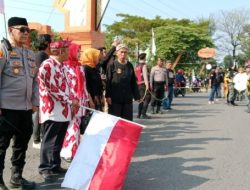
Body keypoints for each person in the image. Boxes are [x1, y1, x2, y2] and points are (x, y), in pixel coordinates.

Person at [0, 17, 38, 190]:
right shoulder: (3, 50)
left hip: (25, 109)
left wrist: (35, 102)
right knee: (1, 146)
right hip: (6, 109)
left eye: (27, 30)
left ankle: (17, 177)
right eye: (21, 29)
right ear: (10, 30)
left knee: (22, 144)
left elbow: (36, 81)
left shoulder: (30, 54)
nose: (25, 33)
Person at [38, 40, 76, 181]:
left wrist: (72, 99)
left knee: (59, 140)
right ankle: (44, 167)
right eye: (67, 50)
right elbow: (52, 88)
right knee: (49, 140)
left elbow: (67, 86)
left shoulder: (62, 66)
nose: (69, 53)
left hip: (64, 110)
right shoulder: (47, 65)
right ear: (60, 51)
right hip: (52, 110)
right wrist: (70, 100)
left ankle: (55, 165)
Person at [60, 43, 89, 162]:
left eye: (80, 52)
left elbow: (84, 85)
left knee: (76, 126)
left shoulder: (80, 66)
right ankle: (67, 152)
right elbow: (66, 85)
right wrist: (71, 99)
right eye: (77, 51)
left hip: (80, 100)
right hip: (71, 101)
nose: (79, 54)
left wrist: (87, 99)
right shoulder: (64, 67)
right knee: (72, 127)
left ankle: (74, 151)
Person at [105, 44, 140, 121]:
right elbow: (108, 81)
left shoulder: (129, 65)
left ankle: (126, 133)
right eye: (121, 52)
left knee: (127, 120)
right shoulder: (112, 65)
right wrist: (108, 96)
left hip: (127, 98)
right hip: (115, 98)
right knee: (115, 119)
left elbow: (133, 81)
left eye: (125, 52)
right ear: (117, 53)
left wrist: (137, 95)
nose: (123, 54)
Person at [32, 34, 52, 149]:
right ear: (46, 43)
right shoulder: (41, 55)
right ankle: (36, 139)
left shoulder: (43, 55)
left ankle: (39, 137)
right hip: (40, 89)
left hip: (42, 89)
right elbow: (40, 74)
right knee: (38, 114)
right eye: (51, 42)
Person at [135, 53, 151, 119]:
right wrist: (147, 85)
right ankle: (144, 114)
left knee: (141, 99)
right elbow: (145, 76)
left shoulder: (137, 66)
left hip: (138, 84)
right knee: (147, 99)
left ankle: (139, 114)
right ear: (144, 58)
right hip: (144, 84)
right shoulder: (144, 66)